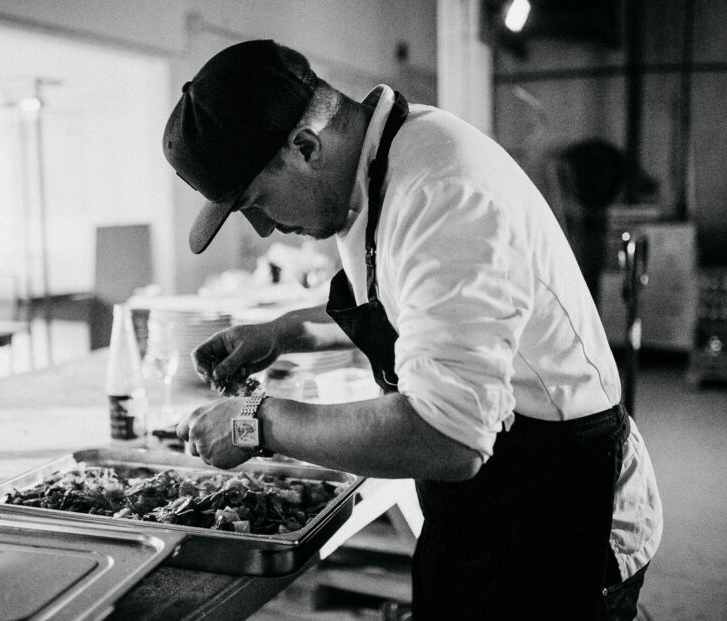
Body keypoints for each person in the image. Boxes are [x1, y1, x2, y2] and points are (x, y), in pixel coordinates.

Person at [164, 39, 662, 620]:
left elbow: (447, 436)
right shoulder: (380, 164)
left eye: (255, 201)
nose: (263, 228)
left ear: (304, 147)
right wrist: (285, 331)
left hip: (561, 509)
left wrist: (255, 422)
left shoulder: (442, 194)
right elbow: (415, 304)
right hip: (489, 503)